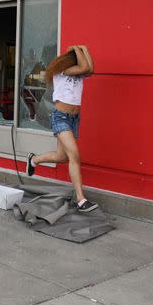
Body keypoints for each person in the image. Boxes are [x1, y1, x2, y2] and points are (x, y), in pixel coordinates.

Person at [25, 45, 98, 212]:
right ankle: (81, 200)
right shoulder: (63, 71)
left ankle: (33, 160)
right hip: (61, 117)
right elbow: (85, 66)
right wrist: (77, 48)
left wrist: (85, 49)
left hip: (73, 119)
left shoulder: (79, 73)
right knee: (75, 154)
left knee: (61, 157)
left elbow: (90, 69)